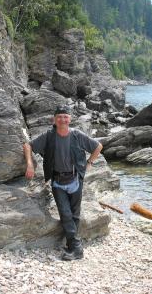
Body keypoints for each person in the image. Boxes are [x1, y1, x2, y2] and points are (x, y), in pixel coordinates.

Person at [23, 105, 103, 261]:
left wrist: (90, 163)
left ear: (70, 119)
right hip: (57, 181)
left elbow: (98, 146)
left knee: (75, 215)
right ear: (54, 119)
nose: (63, 119)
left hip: (75, 180)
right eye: (59, 117)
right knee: (66, 214)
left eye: (65, 117)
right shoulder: (49, 136)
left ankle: (71, 245)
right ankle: (77, 249)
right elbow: (28, 146)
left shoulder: (77, 135)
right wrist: (30, 164)